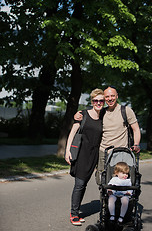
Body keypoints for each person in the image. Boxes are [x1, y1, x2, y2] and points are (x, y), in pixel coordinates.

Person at [74, 86, 141, 181]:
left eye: (112, 96)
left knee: (121, 181)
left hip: (121, 152)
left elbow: (136, 129)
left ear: (117, 96)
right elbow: (89, 115)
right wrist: (78, 115)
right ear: (104, 99)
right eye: (107, 97)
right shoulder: (101, 112)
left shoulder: (126, 111)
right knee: (102, 181)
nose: (110, 99)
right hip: (103, 153)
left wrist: (136, 144)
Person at [65, 88, 104, 226]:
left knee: (84, 184)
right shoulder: (83, 114)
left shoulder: (103, 116)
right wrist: (67, 150)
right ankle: (74, 213)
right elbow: (73, 132)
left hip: (94, 155)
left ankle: (75, 211)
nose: (98, 103)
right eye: (96, 100)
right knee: (79, 184)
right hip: (81, 153)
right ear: (92, 101)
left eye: (101, 100)